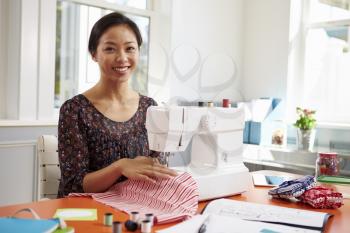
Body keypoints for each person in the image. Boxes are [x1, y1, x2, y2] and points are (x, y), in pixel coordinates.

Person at [57, 12, 177, 198]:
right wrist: (120, 167)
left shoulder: (150, 107)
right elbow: (73, 185)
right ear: (94, 54)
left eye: (130, 48)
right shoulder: (74, 110)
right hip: (89, 212)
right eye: (110, 49)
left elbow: (156, 168)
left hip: (136, 207)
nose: (122, 58)